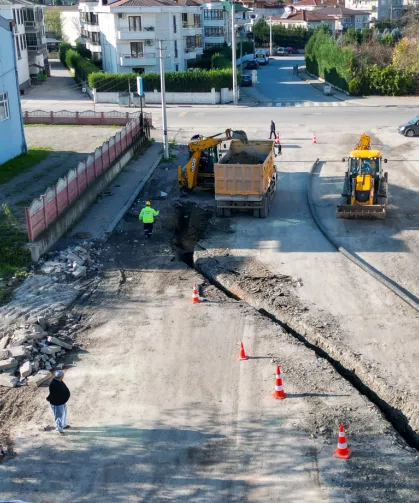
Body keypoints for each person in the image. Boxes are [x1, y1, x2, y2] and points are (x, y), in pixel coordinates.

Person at [47, 370, 70, 434]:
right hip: (57, 403)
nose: (63, 376)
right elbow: (54, 395)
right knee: (59, 416)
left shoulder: (59, 381)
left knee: (64, 413)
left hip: (62, 402)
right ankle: (59, 428)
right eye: (63, 375)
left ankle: (63, 425)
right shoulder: (54, 384)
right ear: (61, 376)